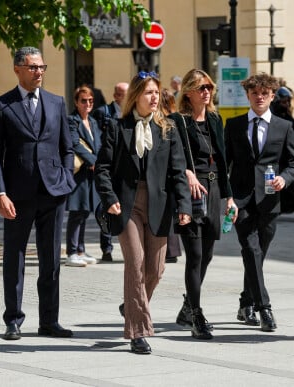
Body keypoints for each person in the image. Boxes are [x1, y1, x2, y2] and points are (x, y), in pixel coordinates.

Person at [94, 71, 191, 354]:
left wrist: (184, 206)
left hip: (159, 205)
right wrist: (109, 198)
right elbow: (102, 169)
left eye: (157, 92)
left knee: (156, 270)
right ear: (136, 95)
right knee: (135, 263)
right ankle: (138, 332)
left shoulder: (167, 129)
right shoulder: (116, 126)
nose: (154, 98)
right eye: (149, 92)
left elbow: (178, 172)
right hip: (127, 204)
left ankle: (131, 305)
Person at [0, 46, 76, 341]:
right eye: (33, 67)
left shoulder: (56, 102)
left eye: (42, 67)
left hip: (52, 192)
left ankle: (49, 321)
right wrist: (0, 192)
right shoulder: (2, 106)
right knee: (15, 258)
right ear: (17, 69)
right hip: (17, 194)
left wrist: (66, 177)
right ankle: (13, 320)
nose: (39, 72)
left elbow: (67, 146)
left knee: (51, 260)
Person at [224, 72, 294, 332]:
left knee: (257, 256)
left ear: (272, 96)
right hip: (242, 200)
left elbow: (293, 163)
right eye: (255, 93)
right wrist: (228, 198)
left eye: (264, 94)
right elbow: (226, 165)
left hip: (269, 201)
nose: (259, 97)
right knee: (251, 251)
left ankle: (245, 303)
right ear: (247, 95)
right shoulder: (233, 126)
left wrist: (284, 179)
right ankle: (264, 308)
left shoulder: (284, 127)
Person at [170, 69, 236, 340]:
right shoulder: (178, 121)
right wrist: (187, 172)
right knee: (195, 256)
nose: (207, 92)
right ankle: (197, 314)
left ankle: (187, 306)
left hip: (215, 187)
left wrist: (229, 196)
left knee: (207, 255)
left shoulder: (214, 119)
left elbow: (222, 160)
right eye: (201, 88)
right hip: (192, 192)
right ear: (188, 92)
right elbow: (172, 157)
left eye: (209, 86)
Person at [91, 82, 129, 262]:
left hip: (124, 170)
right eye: (124, 94)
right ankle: (106, 248)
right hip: (108, 168)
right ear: (116, 96)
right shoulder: (103, 112)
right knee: (107, 208)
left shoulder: (132, 113)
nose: (127, 97)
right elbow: (96, 139)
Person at [65, 86, 102, 267]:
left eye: (90, 101)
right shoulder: (72, 120)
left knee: (85, 211)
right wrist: (93, 160)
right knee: (76, 211)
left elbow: (99, 144)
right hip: (79, 173)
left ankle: (80, 249)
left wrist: (100, 161)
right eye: (83, 100)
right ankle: (71, 252)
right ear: (76, 102)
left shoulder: (93, 122)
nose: (87, 104)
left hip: (91, 174)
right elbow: (74, 144)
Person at [159, 88, 182, 264]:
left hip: (165, 172)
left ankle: (169, 249)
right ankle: (172, 250)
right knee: (172, 210)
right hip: (174, 171)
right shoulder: (177, 118)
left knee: (166, 210)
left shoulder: (167, 121)